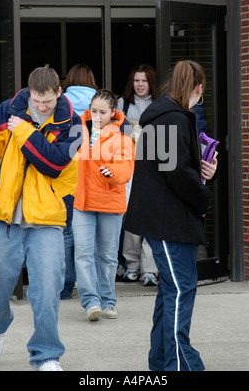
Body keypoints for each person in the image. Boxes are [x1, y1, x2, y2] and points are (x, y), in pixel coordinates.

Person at [0, 65, 81, 371]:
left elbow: (56, 162)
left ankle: (46, 355)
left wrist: (22, 131)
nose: (41, 106)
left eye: (47, 101)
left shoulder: (74, 125)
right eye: (36, 100)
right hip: (4, 217)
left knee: (47, 290)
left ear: (58, 93)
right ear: (30, 92)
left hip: (48, 220)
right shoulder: (8, 109)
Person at [124, 60, 217, 371]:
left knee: (170, 292)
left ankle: (163, 363)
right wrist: (203, 196)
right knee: (179, 290)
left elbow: (172, 169)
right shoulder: (174, 120)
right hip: (169, 221)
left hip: (165, 219)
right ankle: (179, 364)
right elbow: (176, 173)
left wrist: (204, 174)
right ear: (198, 88)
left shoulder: (164, 116)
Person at [73, 89, 135, 321]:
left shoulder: (123, 133)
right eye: (94, 110)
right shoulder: (78, 128)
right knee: (83, 253)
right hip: (83, 201)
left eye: (103, 112)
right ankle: (91, 301)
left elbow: (127, 166)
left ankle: (108, 300)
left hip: (110, 200)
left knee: (108, 256)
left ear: (113, 112)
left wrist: (113, 171)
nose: (98, 115)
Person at [117, 64, 158, 286]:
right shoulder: (122, 104)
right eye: (136, 80)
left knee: (150, 216)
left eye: (144, 80)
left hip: (151, 167)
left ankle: (149, 269)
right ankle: (131, 264)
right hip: (129, 166)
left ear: (151, 82)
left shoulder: (159, 104)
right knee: (132, 215)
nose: (140, 85)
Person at [60, 64, 97, 300]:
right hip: (93, 175)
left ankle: (64, 286)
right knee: (88, 234)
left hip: (66, 172)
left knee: (65, 231)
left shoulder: (62, 102)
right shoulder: (100, 103)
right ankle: (91, 287)